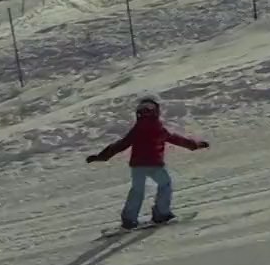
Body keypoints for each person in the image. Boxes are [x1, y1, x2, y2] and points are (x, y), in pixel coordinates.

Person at [86, 95, 209, 229]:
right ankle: (161, 213)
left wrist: (101, 156)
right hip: (155, 165)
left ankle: (129, 219)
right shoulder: (158, 128)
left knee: (137, 190)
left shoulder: (137, 129)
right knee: (165, 184)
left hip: (138, 165)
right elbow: (177, 139)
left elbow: (121, 144)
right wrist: (195, 145)